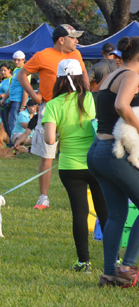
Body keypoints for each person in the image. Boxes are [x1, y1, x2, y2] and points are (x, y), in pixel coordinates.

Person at [43, 59, 107, 273]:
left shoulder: (52, 105)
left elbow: (50, 140)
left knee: (79, 213)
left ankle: (84, 262)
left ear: (59, 79)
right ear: (81, 77)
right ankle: (114, 260)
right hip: (96, 163)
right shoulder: (91, 98)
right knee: (105, 211)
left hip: (70, 167)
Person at [17, 24, 89, 209]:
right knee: (46, 154)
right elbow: (22, 74)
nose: (77, 41)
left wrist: (86, 99)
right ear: (61, 39)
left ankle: (84, 194)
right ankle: (43, 198)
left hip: (75, 105)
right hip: (50, 107)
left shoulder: (76, 55)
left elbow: (85, 78)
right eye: (73, 37)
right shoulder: (42, 55)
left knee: (79, 150)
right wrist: (33, 96)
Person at [88, 36, 139, 287]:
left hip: (97, 150)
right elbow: (122, 105)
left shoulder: (112, 74)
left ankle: (109, 274)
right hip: (112, 152)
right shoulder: (131, 76)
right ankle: (127, 267)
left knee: (117, 214)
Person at [0, 63, 12, 133]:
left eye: (5, 70)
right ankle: (9, 142)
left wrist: (4, 95)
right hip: (1, 104)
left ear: (9, 70)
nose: (3, 72)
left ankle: (12, 141)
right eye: (1, 70)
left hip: (9, 103)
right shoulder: (3, 80)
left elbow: (13, 90)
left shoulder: (12, 79)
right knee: (4, 123)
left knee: (9, 123)